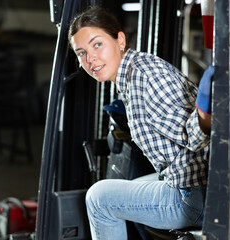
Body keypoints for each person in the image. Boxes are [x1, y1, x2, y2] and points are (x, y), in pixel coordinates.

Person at [68, 6, 214, 240]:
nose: (90, 58)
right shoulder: (133, 72)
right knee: (127, 183)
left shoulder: (142, 77)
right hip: (191, 185)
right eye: (81, 52)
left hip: (192, 197)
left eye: (97, 45)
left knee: (98, 198)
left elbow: (195, 138)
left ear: (120, 40)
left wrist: (205, 112)